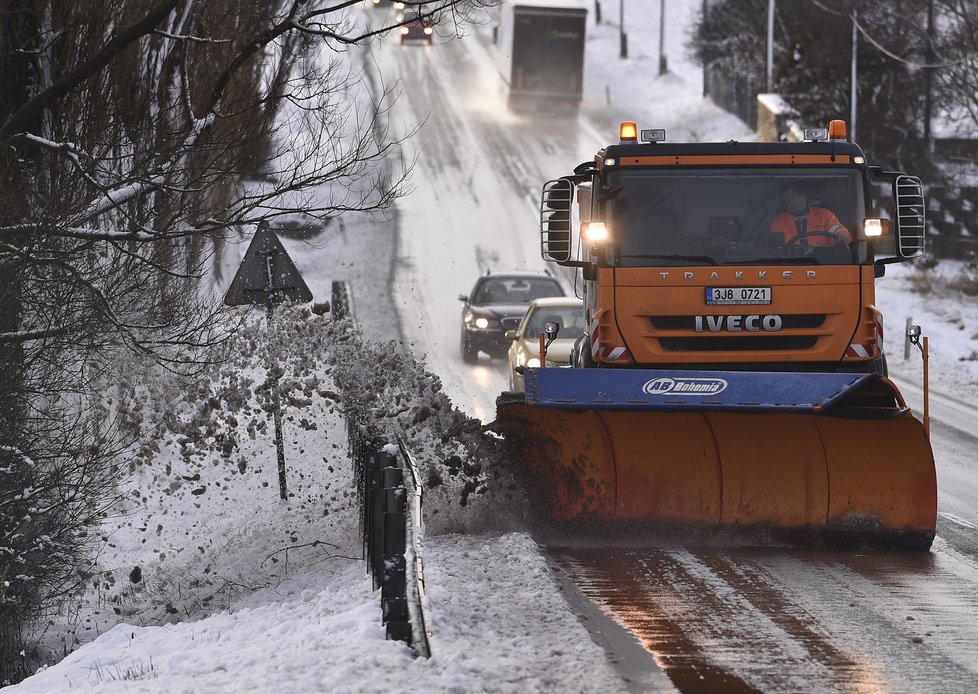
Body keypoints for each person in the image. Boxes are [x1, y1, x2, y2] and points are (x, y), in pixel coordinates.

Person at [770, 184, 851, 246]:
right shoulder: (779, 222)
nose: (786, 201)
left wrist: (842, 236)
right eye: (784, 197)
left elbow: (838, 230)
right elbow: (772, 248)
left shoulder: (824, 216)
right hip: (789, 265)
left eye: (790, 196)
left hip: (822, 263)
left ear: (803, 197)